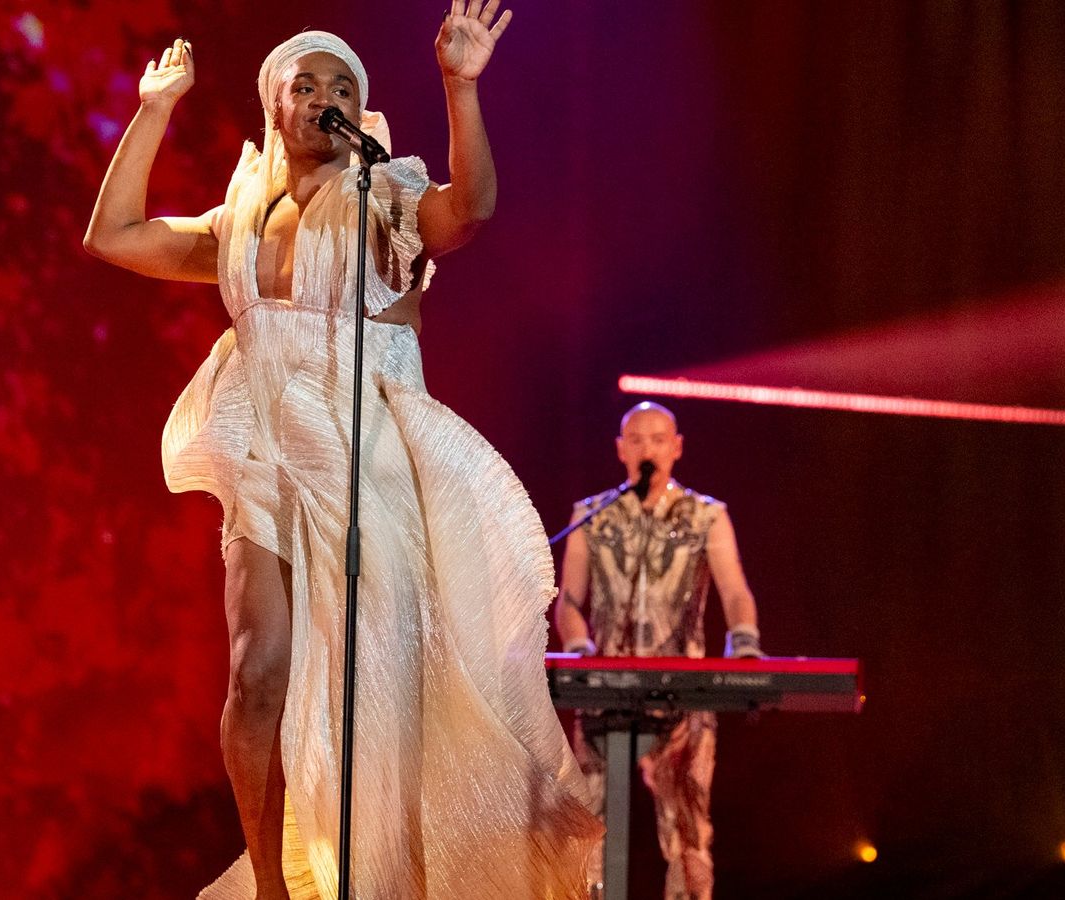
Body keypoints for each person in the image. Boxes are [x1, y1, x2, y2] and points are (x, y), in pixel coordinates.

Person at [84, 5, 600, 899]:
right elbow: (114, 234)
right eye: (308, 84)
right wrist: (155, 108)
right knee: (257, 673)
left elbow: (469, 210)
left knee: (391, 689)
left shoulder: (385, 201)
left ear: (361, 113)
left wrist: (460, 86)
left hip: (372, 463)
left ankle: (392, 877)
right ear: (274, 108)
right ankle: (274, 887)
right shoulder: (237, 227)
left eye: (345, 88)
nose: (328, 97)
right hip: (267, 456)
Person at [553, 402, 763, 900]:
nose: (647, 449)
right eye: (637, 439)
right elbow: (569, 601)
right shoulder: (592, 516)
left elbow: (735, 591)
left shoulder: (707, 516)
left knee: (688, 833)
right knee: (586, 833)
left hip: (683, 697)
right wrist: (580, 649)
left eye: (658, 439)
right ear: (621, 449)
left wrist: (745, 644)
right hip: (605, 695)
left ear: (676, 447)